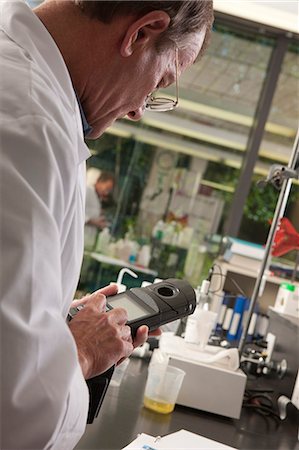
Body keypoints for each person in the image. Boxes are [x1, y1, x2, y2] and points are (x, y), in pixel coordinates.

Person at [0, 0, 214, 449]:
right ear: (141, 33)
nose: (139, 109)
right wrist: (79, 351)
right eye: (162, 81)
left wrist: (46, 316)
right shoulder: (28, 127)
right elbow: (13, 408)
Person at [85, 170, 115, 249]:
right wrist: (92, 221)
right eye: (107, 188)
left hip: (88, 240)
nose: (107, 192)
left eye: (109, 190)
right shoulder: (87, 191)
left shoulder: (97, 197)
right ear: (100, 182)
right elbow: (76, 212)